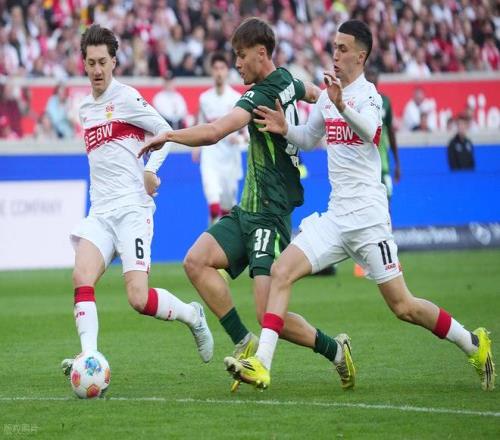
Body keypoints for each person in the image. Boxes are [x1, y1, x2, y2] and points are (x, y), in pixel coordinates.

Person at [226, 19, 494, 392]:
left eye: (343, 49)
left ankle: (473, 343)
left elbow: (372, 131)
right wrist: (286, 129)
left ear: (361, 56)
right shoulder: (326, 96)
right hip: (337, 217)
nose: (335, 54)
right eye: (334, 47)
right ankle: (262, 364)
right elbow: (309, 138)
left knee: (403, 306)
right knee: (281, 272)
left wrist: (342, 105)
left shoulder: (368, 96)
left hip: (369, 222)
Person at [139, 17, 354, 392]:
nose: (237, 64)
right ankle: (244, 341)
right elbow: (310, 91)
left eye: (241, 56)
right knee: (195, 261)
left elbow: (214, 131)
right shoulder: (287, 80)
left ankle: (335, 350)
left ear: (261, 53)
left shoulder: (259, 96)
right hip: (247, 210)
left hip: (270, 214)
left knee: (268, 313)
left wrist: (170, 136)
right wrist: (330, 98)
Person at [61, 24, 214, 378]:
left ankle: (192, 315)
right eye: (91, 63)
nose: (97, 70)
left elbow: (166, 133)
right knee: (81, 276)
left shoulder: (127, 98)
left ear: (114, 62)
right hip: (100, 212)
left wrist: (150, 170)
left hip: (132, 209)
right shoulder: (85, 109)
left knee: (138, 299)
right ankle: (89, 357)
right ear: (83, 64)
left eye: (103, 62)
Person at [191, 52, 245, 224]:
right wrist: (196, 147)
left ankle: (223, 238)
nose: (219, 72)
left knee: (227, 209)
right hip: (210, 156)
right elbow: (200, 124)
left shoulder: (236, 99)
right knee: (214, 206)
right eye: (215, 68)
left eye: (222, 68)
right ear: (211, 71)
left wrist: (239, 140)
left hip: (230, 159)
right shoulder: (205, 99)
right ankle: (211, 237)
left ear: (227, 71)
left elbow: (246, 133)